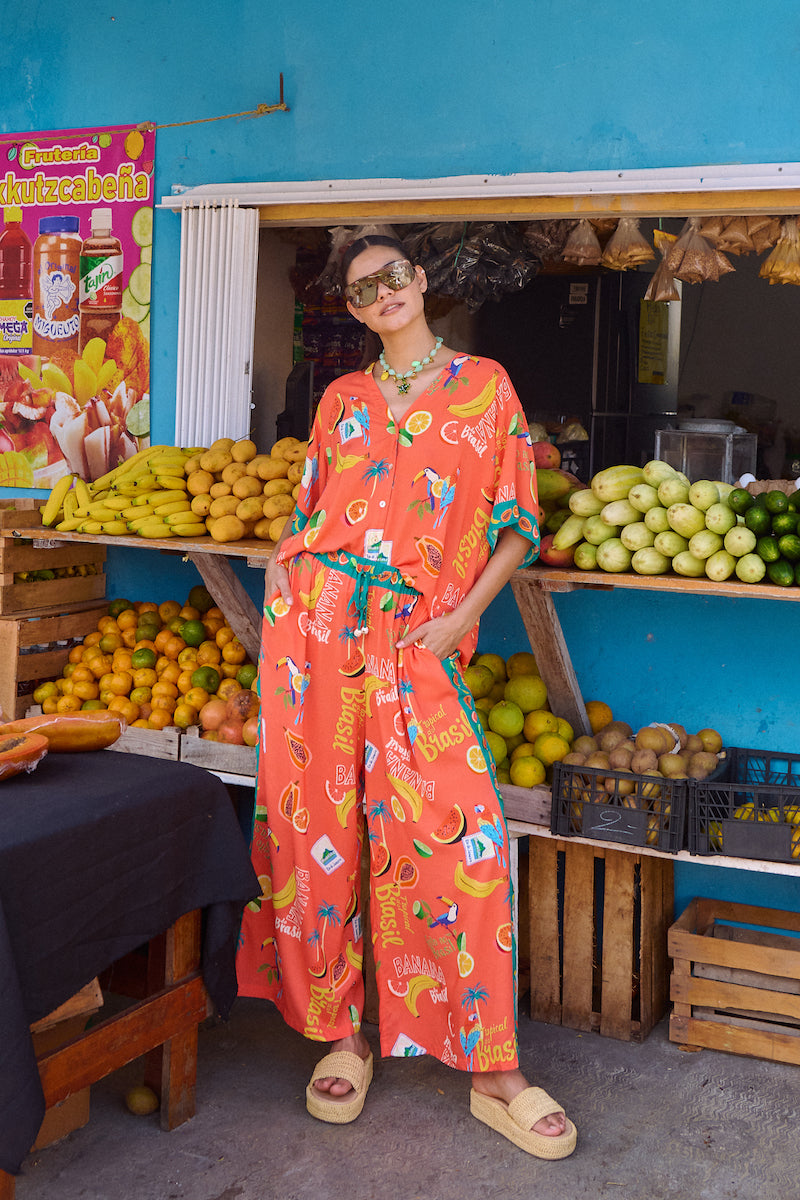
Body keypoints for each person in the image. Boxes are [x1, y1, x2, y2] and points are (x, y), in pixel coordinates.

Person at [237, 233, 577, 1159]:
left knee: (457, 827)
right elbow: (309, 513)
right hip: (315, 636)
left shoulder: (484, 385)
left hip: (418, 640)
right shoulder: (342, 399)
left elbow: (516, 522)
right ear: (349, 309)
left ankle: (493, 1068)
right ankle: (342, 1034)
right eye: (359, 290)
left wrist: (458, 615)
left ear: (420, 282)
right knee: (321, 829)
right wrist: (292, 597)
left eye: (392, 277)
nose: (380, 294)